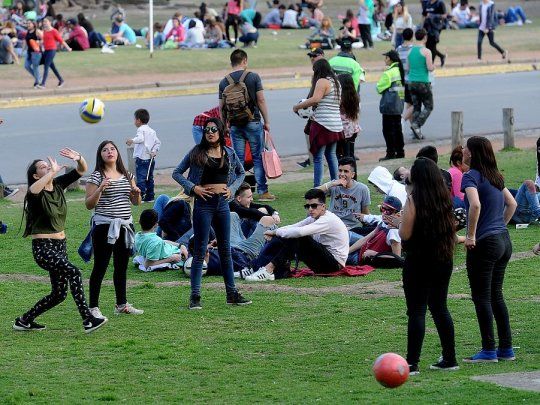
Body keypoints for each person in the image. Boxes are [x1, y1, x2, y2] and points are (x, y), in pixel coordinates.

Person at [13, 149, 107, 334]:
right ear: (35, 174)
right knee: (74, 272)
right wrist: (53, 172)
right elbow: (33, 189)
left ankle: (24, 320)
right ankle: (88, 320)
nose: (47, 167)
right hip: (43, 248)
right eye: (42, 167)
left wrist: (78, 158)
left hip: (60, 246)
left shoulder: (57, 185)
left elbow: (82, 170)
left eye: (48, 165)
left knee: (59, 294)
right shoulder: (35, 194)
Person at [172, 117, 251, 309]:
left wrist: (232, 189)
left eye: (214, 129)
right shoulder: (197, 152)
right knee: (200, 251)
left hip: (222, 204)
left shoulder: (229, 153)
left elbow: (241, 173)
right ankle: (195, 297)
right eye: (207, 129)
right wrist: (193, 188)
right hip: (203, 204)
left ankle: (231, 294)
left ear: (221, 131)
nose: (210, 132)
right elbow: (177, 173)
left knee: (225, 251)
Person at [395, 157, 458, 374]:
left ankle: (412, 363)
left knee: (417, 311)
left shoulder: (413, 199)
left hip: (419, 260)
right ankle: (450, 358)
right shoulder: (443, 198)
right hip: (442, 259)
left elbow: (404, 233)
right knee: (440, 308)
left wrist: (405, 207)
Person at [461, 136, 517, 363]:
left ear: (471, 153)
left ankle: (488, 350)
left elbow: (475, 204)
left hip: (485, 244)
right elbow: (512, 203)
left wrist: (471, 235)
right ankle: (506, 349)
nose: (462, 149)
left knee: (481, 297)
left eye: (465, 147)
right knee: (496, 296)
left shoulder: (470, 176)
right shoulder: (495, 177)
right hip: (503, 241)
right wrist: (499, 226)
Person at [85, 140, 144, 319]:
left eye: (112, 149)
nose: (109, 152)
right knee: (100, 266)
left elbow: (135, 203)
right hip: (105, 227)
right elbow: (89, 204)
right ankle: (93, 307)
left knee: (121, 266)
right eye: (105, 150)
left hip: (125, 225)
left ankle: (121, 304)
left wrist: (137, 194)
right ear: (100, 155)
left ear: (117, 153)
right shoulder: (97, 176)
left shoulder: (128, 175)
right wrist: (100, 189)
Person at [245, 188, 349, 281]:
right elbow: (294, 226)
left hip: (334, 265)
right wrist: (276, 233)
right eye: (307, 206)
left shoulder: (327, 219)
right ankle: (257, 266)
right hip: (324, 260)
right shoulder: (315, 217)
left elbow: (299, 232)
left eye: (313, 206)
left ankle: (268, 269)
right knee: (288, 236)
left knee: (297, 237)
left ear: (323, 206)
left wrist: (275, 232)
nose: (310, 209)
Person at [219, 49, 275, 201]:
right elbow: (261, 100)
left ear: (232, 63)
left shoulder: (224, 82)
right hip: (253, 122)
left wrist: (224, 125)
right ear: (244, 61)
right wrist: (267, 121)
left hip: (235, 125)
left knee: (238, 159)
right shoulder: (253, 77)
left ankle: (239, 192)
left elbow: (221, 107)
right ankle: (262, 192)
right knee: (257, 157)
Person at [293, 59, 343, 188]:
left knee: (318, 157)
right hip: (336, 124)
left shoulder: (322, 81)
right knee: (331, 155)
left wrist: (297, 106)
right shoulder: (336, 81)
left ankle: (317, 187)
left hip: (323, 124)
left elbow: (315, 100)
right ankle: (335, 184)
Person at [347, 195, 403, 268]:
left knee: (333, 254)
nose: (384, 213)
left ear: (397, 214)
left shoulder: (393, 231)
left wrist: (375, 254)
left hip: (360, 259)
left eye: (389, 210)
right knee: (346, 235)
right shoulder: (383, 222)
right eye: (382, 209)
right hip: (361, 250)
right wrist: (347, 252)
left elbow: (397, 259)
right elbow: (365, 239)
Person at [318, 157, 370, 230]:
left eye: (346, 171)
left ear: (352, 174)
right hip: (333, 225)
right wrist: (331, 184)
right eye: (340, 170)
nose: (342, 174)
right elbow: (311, 194)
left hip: (353, 228)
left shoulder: (362, 189)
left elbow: (365, 213)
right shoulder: (334, 185)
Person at [297, 47, 326, 169]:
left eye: (315, 56)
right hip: (315, 112)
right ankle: (312, 160)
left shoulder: (325, 73)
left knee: (313, 136)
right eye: (311, 56)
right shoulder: (317, 73)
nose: (312, 59)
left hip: (322, 113)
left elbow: (316, 97)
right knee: (309, 133)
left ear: (322, 55)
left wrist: (300, 106)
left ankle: (314, 161)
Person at [126, 109, 161, 204]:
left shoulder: (140, 129)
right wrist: (154, 151)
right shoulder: (152, 131)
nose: (134, 122)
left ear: (138, 120)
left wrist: (131, 140)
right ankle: (150, 196)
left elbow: (140, 139)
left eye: (134, 119)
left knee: (141, 178)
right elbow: (158, 142)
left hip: (142, 158)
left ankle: (139, 196)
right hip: (150, 159)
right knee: (149, 178)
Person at [377, 49, 405, 161]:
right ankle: (400, 152)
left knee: (388, 130)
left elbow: (379, 88)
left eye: (386, 57)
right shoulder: (401, 70)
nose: (385, 60)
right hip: (399, 105)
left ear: (389, 59)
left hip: (389, 106)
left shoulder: (389, 73)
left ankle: (390, 153)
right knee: (398, 129)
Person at [408, 28, 434, 140]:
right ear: (425, 37)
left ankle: (416, 133)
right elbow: (430, 68)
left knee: (416, 107)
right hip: (422, 81)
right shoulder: (426, 51)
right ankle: (417, 124)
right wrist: (434, 66)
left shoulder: (410, 51)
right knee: (429, 106)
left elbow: (408, 67)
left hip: (411, 82)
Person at [41, 17, 71, 88]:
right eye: (44, 22)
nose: (44, 23)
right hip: (46, 51)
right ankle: (61, 80)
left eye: (46, 21)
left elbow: (61, 40)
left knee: (46, 66)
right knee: (53, 67)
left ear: (50, 22)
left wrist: (68, 48)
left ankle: (43, 84)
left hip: (52, 50)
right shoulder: (44, 31)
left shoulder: (54, 31)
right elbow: (44, 41)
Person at [337, 74, 361, 159]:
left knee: (343, 156)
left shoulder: (340, 99)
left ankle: (344, 170)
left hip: (343, 131)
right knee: (351, 154)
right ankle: (353, 171)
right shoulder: (355, 97)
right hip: (353, 129)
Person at [397, 27, 414, 125]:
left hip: (401, 80)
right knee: (415, 103)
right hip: (410, 79)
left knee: (408, 104)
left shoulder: (398, 49)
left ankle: (414, 128)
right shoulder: (413, 49)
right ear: (412, 37)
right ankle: (402, 120)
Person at [422, 0, 447, 66]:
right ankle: (442, 56)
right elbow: (424, 15)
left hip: (436, 27)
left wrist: (432, 15)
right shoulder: (427, 3)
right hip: (427, 27)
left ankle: (431, 63)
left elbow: (444, 15)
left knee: (432, 44)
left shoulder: (440, 3)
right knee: (427, 45)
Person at [23, 19, 42, 89]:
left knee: (35, 67)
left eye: (29, 23)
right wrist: (22, 51)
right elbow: (25, 42)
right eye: (27, 23)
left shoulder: (37, 31)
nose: (28, 25)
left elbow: (44, 38)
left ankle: (37, 82)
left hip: (36, 53)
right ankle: (38, 78)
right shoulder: (27, 32)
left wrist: (38, 42)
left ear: (33, 24)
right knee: (26, 66)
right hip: (29, 52)